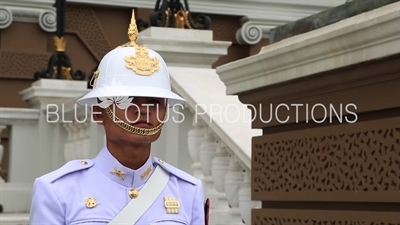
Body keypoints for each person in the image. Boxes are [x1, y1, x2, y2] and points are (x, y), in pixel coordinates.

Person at [29, 9, 207, 225]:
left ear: (165, 111)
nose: (143, 109)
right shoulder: (57, 190)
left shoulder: (188, 191)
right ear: (97, 112)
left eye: (155, 102)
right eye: (127, 100)